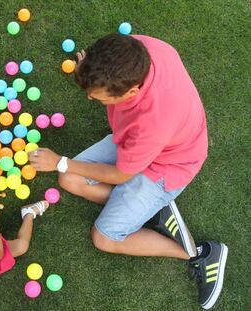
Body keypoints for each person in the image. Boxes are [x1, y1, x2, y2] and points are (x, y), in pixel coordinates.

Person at [28, 34, 227, 309]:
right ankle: (150, 210)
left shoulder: (150, 123)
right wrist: (89, 69)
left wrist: (60, 160)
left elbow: (122, 174)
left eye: (96, 95)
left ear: (131, 93)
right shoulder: (138, 48)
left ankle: (199, 253)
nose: (89, 96)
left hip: (169, 163)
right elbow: (106, 65)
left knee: (105, 237)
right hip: (139, 143)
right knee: (69, 180)